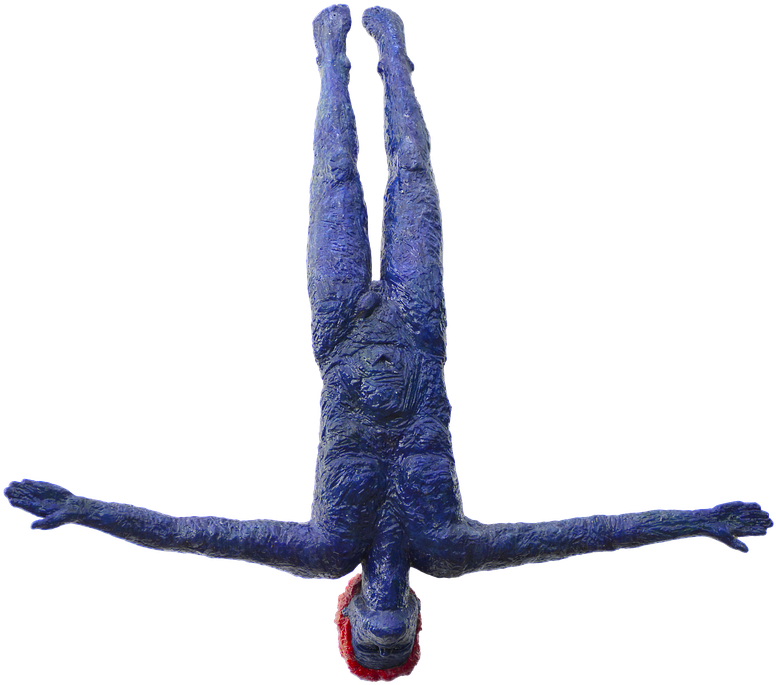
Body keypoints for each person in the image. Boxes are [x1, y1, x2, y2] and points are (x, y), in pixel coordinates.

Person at [4, 4, 772, 676]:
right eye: (391, 635)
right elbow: (597, 532)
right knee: (391, 178)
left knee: (356, 178)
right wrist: (698, 520)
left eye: (372, 634)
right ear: (405, 621)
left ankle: (351, 55)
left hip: (351, 332)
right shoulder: (436, 547)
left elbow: (187, 531)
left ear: (356, 615)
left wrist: (81, 507)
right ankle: (377, 53)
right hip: (408, 330)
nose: (386, 617)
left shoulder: (350, 547)